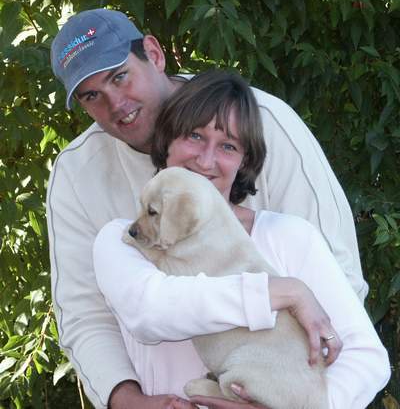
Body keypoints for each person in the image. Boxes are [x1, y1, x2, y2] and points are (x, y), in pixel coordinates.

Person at [47, 8, 369, 409]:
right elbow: (89, 314)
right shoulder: (82, 182)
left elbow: (340, 285)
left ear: (154, 54)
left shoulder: (262, 121)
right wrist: (126, 399)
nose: (116, 104)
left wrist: (294, 401)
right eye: (91, 95)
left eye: (119, 76)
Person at [93, 70, 390, 409]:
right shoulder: (123, 240)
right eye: (194, 136)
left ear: (244, 160)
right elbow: (151, 312)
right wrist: (283, 293)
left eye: (228, 146)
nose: (206, 160)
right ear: (167, 140)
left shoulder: (291, 237)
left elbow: (366, 358)